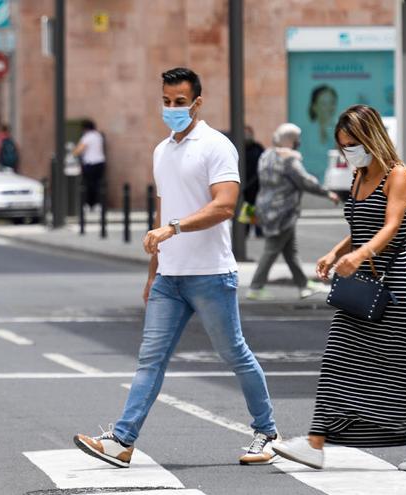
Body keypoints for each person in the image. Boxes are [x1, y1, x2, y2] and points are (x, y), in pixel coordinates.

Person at [73, 67, 280, 468]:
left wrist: (174, 228)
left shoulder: (216, 146)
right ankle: (122, 440)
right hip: (170, 277)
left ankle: (268, 432)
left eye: (180, 102)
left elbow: (224, 206)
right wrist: (153, 272)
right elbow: (162, 209)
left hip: (210, 274)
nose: (171, 109)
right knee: (150, 359)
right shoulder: (161, 150)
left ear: (197, 102)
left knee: (233, 352)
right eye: (166, 101)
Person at [272, 105, 406, 471]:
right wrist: (336, 252)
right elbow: (362, 225)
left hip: (394, 286)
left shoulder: (397, 174)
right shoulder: (359, 176)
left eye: (353, 143)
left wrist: (362, 253)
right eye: (344, 145)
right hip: (363, 285)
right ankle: (316, 441)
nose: (349, 151)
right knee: (339, 358)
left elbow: (392, 226)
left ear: (372, 137)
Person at [247, 123, 340, 300]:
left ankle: (303, 285)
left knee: (290, 251)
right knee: (272, 249)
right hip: (283, 212)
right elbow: (305, 181)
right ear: (290, 140)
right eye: (297, 139)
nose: (299, 143)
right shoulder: (289, 160)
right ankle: (255, 287)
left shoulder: (266, 155)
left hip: (266, 209)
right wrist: (327, 193)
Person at [72, 119, 106, 211]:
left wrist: (73, 151)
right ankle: (97, 204)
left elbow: (78, 151)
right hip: (100, 163)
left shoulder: (87, 137)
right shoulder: (98, 136)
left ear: (85, 128)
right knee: (97, 184)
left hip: (90, 164)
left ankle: (89, 204)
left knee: (89, 185)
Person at [243, 125, 265, 238]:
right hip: (245, 185)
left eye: (248, 133)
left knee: (258, 208)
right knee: (248, 208)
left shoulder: (258, 148)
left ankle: (259, 230)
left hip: (257, 184)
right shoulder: (239, 148)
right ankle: (246, 230)